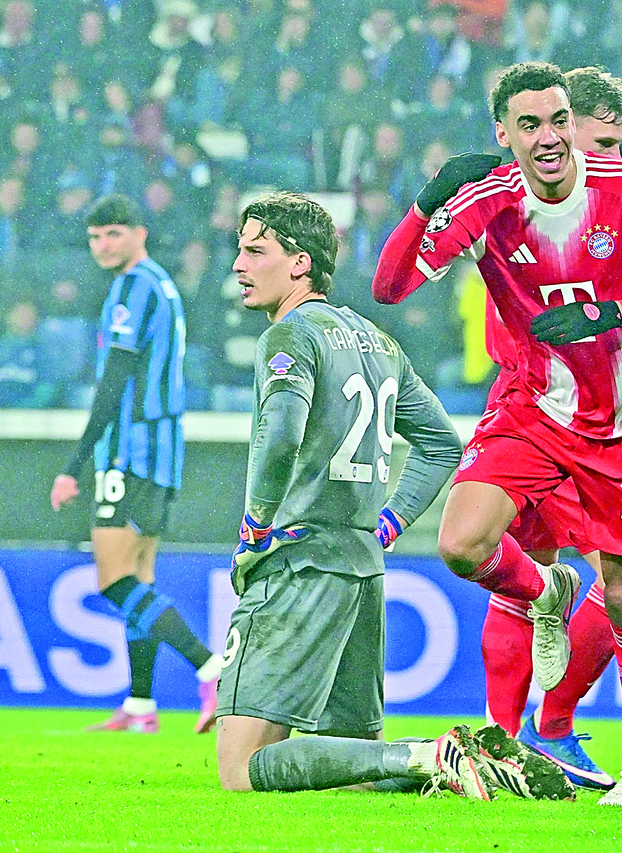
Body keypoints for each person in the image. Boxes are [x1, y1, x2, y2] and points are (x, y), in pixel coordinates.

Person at [373, 61, 622, 806]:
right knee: (470, 546)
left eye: (561, 123)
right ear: (508, 134)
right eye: (534, 125)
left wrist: (616, 322)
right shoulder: (492, 201)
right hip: (532, 406)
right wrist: (427, 201)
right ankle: (524, 709)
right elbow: (390, 287)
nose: (555, 139)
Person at [212, 191, 571, 802]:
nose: (239, 264)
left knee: (242, 769)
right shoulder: (375, 341)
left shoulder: (290, 336)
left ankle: (431, 754)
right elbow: (441, 443)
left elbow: (281, 435)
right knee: (361, 766)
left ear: (299, 263)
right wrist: (389, 523)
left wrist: (256, 525)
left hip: (299, 561)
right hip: (361, 568)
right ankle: (455, 762)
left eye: (255, 251)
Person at [50, 194, 223, 734]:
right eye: (95, 237)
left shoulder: (134, 287)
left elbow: (114, 382)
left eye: (113, 234)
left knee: (113, 580)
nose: (103, 246)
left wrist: (74, 464)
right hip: (161, 451)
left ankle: (211, 667)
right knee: (140, 578)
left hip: (130, 451)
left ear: (139, 234)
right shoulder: (162, 285)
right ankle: (141, 704)